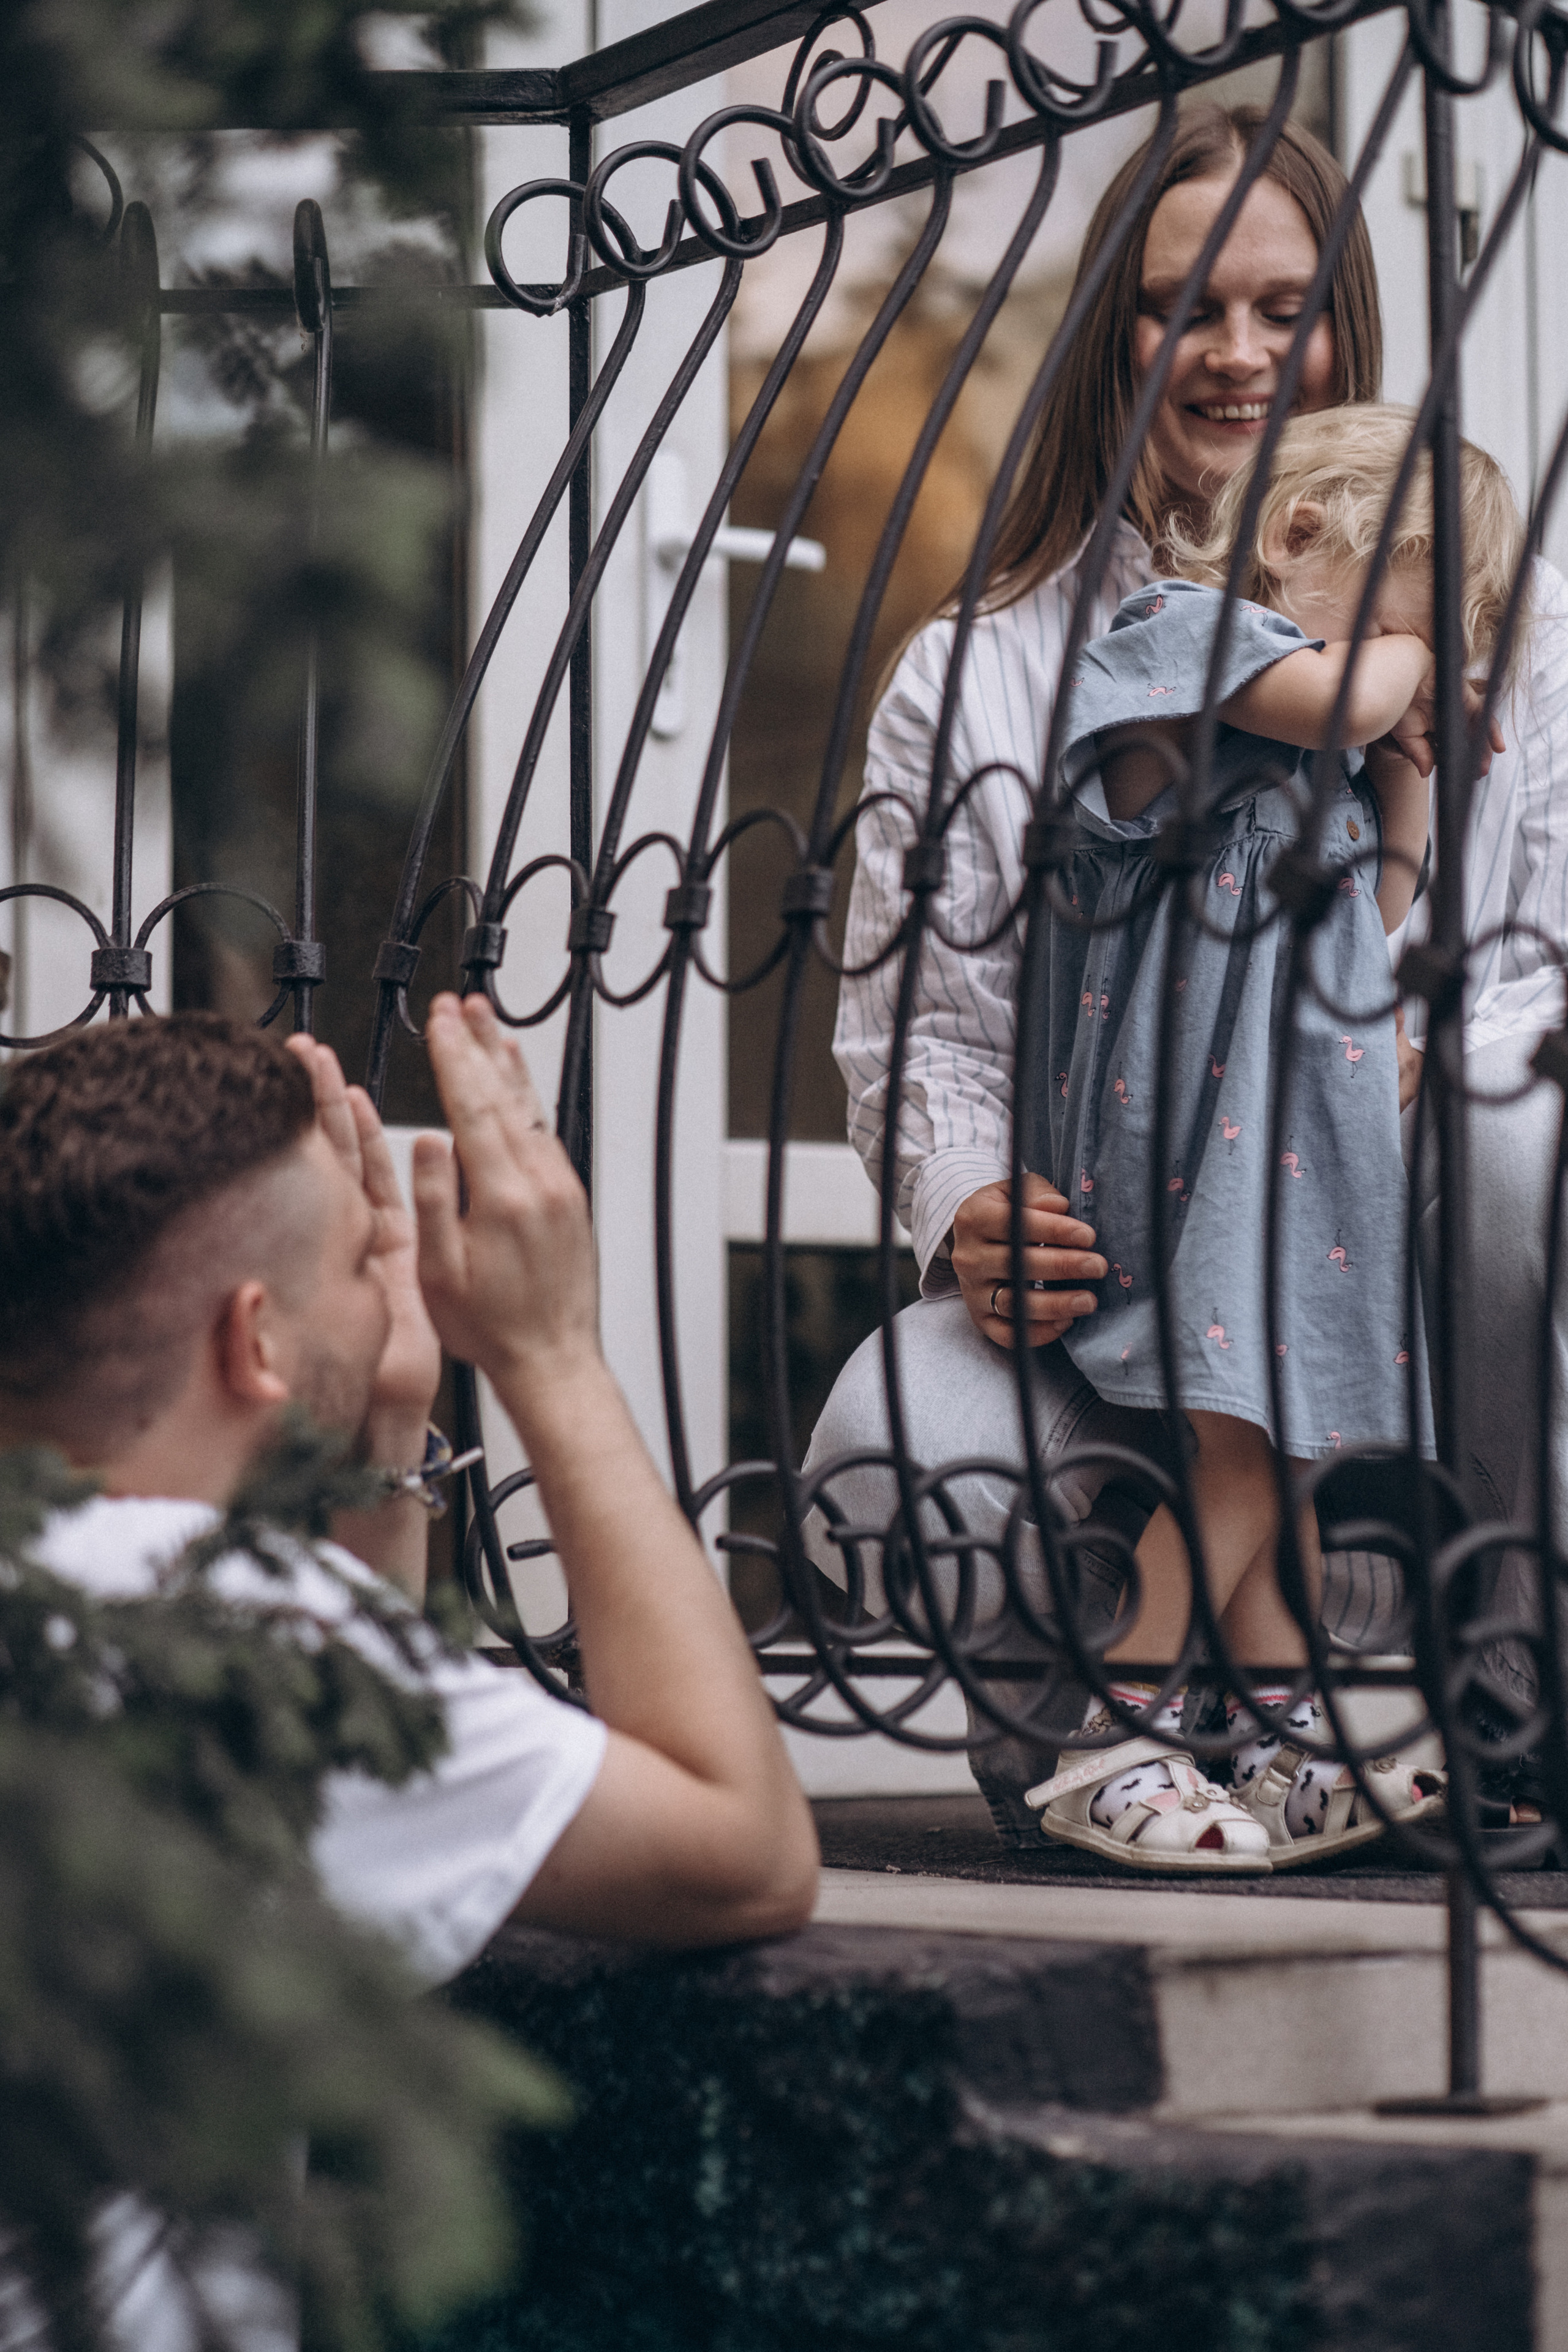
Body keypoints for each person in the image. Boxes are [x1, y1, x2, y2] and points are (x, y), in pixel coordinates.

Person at [811, 99, 1568, 1855]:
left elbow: (1505, 928)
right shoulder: (1022, 654)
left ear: (1347, 332)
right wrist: (962, 1188)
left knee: (1512, 1154)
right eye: (1183, 308)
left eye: (1284, 308)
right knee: (902, 1457)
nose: (1239, 355)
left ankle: (1495, 1708)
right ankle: (1093, 1735)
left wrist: (1427, 1036)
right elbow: (918, 1024)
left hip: (1395, 1221)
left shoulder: (1501, 621)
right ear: (1111, 340)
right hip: (1143, 1205)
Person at [0, 998, 819, 1975]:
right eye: (358, 1264)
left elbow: (375, 1779)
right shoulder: (231, 1637)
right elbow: (745, 1853)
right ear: (254, 1339)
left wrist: (389, 1426)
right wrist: (552, 1357)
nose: (392, 1295)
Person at [1022, 404, 1525, 1868]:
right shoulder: (1178, 639)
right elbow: (1348, 700)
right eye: (1413, 613)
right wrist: (1408, 678)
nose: (1423, 658)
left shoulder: (1320, 761)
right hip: (1191, 1169)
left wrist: (1413, 770)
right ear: (1297, 537)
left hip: (1293, 1168)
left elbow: (1377, 903)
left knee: (1284, 1457)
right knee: (1235, 1459)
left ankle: (1277, 1740)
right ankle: (1108, 1736)